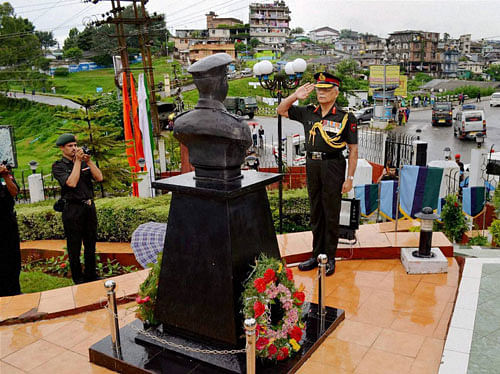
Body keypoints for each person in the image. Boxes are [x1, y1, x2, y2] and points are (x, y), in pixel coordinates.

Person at [277, 72, 358, 276]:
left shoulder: (345, 117)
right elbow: (281, 110)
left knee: (331, 212)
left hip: (333, 165)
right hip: (312, 164)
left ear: (336, 92)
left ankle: (329, 257)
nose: (321, 93)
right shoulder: (308, 112)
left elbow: (353, 150)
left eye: (326, 90)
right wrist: (295, 95)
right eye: (319, 89)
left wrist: (350, 178)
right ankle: (316, 255)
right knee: (315, 211)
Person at [52, 134, 103, 284]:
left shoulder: (83, 162)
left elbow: (99, 178)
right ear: (62, 148)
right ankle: (78, 278)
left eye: (75, 145)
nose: (74, 148)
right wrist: (77, 163)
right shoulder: (58, 166)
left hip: (88, 207)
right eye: (70, 146)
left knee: (90, 243)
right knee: (74, 245)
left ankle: (91, 275)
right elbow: (71, 183)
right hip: (73, 209)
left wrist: (88, 161)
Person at [0, 163, 21, 296]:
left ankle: (15, 289)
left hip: (8, 220)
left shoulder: (6, 173)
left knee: (14, 256)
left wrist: (6, 175)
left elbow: (14, 192)